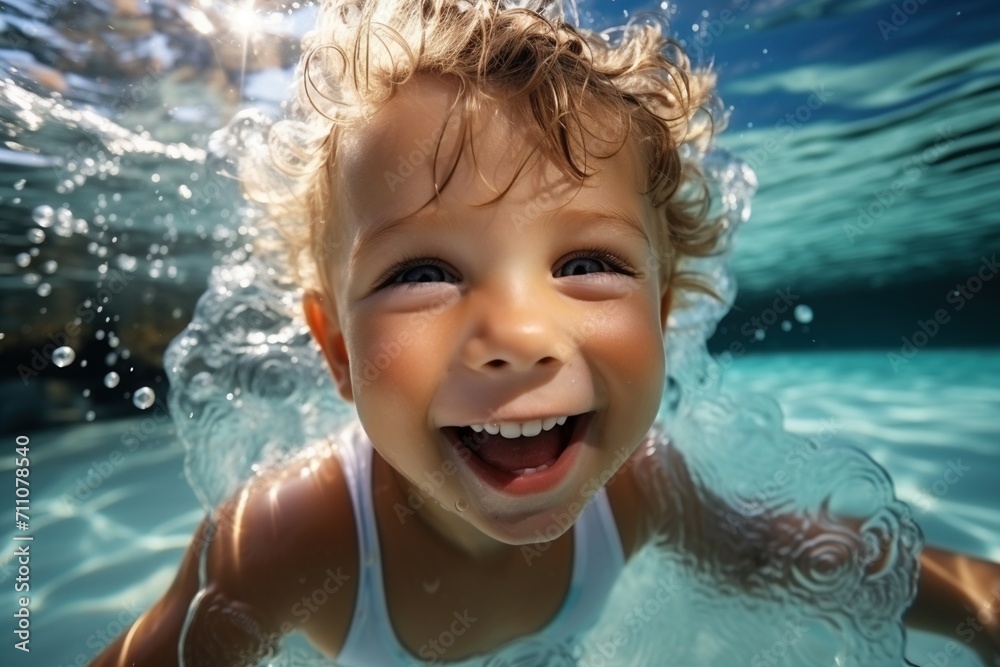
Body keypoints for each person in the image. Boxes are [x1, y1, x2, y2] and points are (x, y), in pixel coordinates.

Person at [90, 0, 1000, 665]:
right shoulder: (294, 538)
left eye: (586, 264)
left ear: (665, 303)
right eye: (422, 273)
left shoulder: (647, 491)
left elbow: (814, 563)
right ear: (334, 351)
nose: (520, 335)